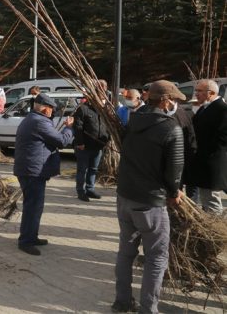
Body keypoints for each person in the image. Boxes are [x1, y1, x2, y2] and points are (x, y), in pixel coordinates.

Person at [112, 80, 185, 313]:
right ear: (164, 100)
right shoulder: (170, 127)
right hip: (150, 202)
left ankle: (122, 302)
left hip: (125, 197)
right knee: (156, 257)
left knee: (126, 253)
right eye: (172, 99)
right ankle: (148, 309)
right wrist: (174, 193)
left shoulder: (134, 120)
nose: (173, 104)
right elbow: (175, 170)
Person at [14, 94, 74, 256]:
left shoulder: (33, 119)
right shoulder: (39, 122)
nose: (52, 112)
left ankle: (31, 236)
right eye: (51, 109)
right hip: (32, 171)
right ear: (44, 108)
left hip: (31, 169)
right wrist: (68, 128)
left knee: (34, 206)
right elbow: (62, 141)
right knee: (32, 207)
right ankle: (26, 241)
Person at [191, 79, 227, 214]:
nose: (196, 94)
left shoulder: (222, 109)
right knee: (206, 199)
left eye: (199, 91)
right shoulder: (205, 107)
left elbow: (223, 138)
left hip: (212, 162)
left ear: (211, 93)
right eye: (196, 90)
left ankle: (216, 231)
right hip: (203, 162)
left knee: (211, 200)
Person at [72, 80, 110, 201]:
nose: (102, 97)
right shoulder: (83, 109)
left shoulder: (104, 109)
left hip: (98, 146)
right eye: (99, 95)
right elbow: (77, 127)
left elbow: (107, 126)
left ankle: (90, 189)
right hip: (84, 146)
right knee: (82, 170)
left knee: (93, 169)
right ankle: (80, 191)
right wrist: (80, 143)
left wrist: (106, 139)